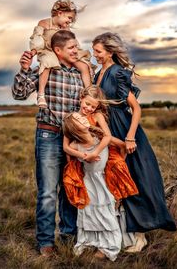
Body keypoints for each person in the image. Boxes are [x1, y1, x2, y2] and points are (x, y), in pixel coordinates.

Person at [92, 32, 177, 252]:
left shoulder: (118, 73)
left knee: (134, 179)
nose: (95, 55)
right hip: (107, 131)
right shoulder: (97, 74)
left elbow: (136, 108)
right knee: (113, 181)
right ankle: (117, 233)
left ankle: (140, 236)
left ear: (110, 51)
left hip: (124, 129)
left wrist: (130, 137)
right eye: (93, 51)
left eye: (98, 51)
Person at [12, 30, 84, 258]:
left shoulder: (80, 73)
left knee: (70, 188)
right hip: (49, 135)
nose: (76, 50)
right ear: (58, 50)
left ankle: (69, 237)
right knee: (47, 193)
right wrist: (24, 69)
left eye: (76, 46)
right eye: (71, 47)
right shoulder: (46, 69)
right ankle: (45, 242)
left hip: (74, 140)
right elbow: (20, 94)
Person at [63, 111, 122, 261]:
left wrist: (117, 167)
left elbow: (121, 145)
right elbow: (67, 152)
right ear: (73, 128)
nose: (82, 117)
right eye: (77, 119)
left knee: (104, 211)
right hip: (88, 181)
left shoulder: (99, 136)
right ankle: (89, 242)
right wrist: (83, 156)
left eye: (80, 116)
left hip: (103, 180)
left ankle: (107, 246)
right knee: (89, 212)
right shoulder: (75, 145)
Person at [29, 0, 92, 108]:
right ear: (60, 13)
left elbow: (72, 42)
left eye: (71, 20)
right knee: (48, 63)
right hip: (48, 50)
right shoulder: (44, 23)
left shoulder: (66, 28)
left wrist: (78, 53)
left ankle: (89, 94)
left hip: (64, 53)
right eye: (69, 18)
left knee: (84, 66)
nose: (69, 21)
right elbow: (37, 38)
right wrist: (34, 51)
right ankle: (41, 94)